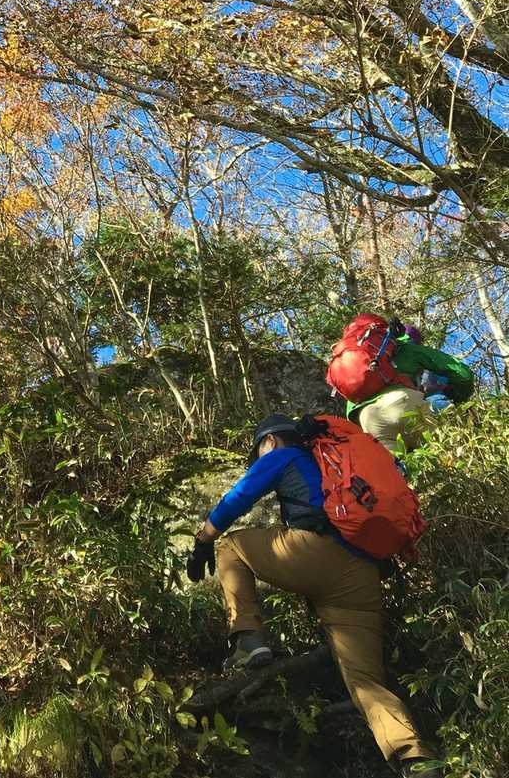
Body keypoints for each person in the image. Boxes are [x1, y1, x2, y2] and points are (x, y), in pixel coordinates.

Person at [187, 413, 439, 773]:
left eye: (258, 451)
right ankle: (414, 757)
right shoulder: (329, 465)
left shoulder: (282, 455)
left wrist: (203, 540)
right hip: (362, 576)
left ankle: (249, 642)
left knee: (231, 546)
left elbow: (239, 497)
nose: (259, 458)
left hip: (316, 553)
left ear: (270, 441)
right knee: (365, 681)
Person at [346, 325, 474, 454]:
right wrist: (458, 395)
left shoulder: (357, 366)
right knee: (451, 446)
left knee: (397, 466)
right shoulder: (408, 348)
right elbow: (464, 373)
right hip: (401, 402)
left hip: (368, 419)